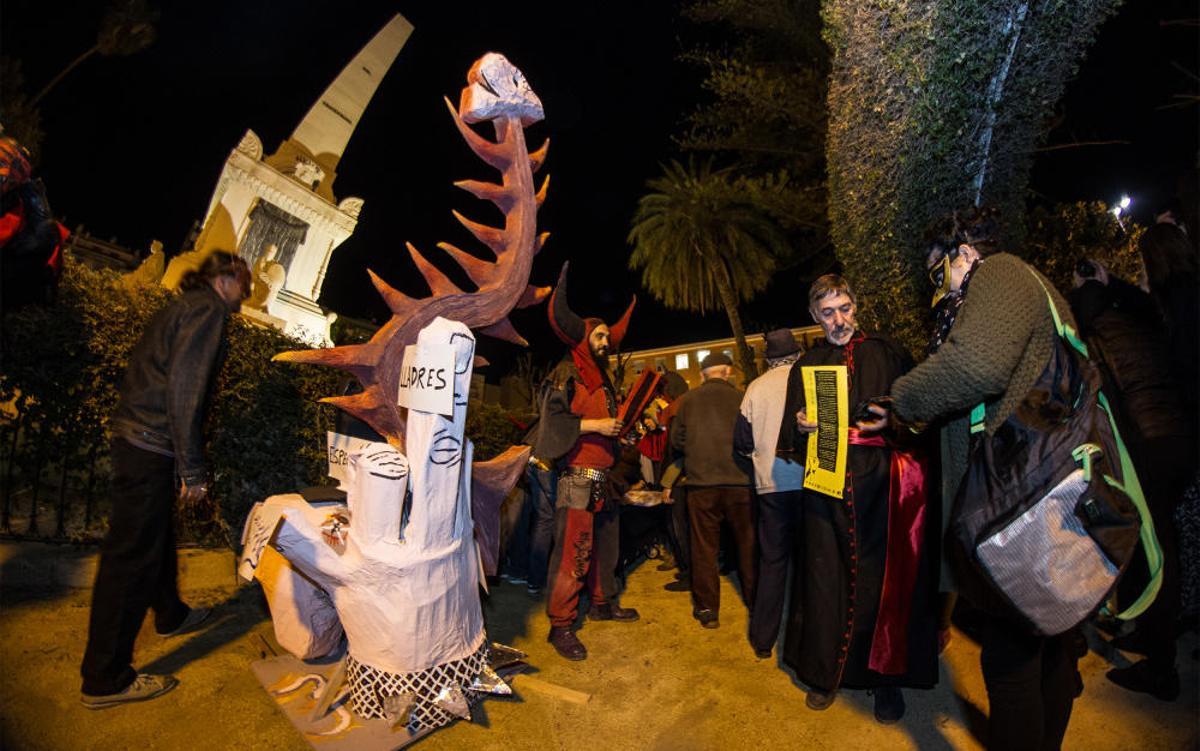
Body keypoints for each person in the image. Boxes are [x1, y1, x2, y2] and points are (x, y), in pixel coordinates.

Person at [889, 207, 1082, 749]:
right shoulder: (1038, 286)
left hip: (1024, 503)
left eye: (940, 272)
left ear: (967, 254)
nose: (940, 289)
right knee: (1051, 650)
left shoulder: (999, 273)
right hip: (1047, 488)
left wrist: (903, 400)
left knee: (1010, 662)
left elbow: (973, 367)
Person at [80, 250, 250, 709]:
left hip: (137, 437)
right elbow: (185, 390)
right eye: (245, 284)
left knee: (154, 536)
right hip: (151, 443)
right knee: (130, 559)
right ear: (226, 279)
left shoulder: (183, 304)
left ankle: (170, 614)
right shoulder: (209, 310)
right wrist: (192, 469)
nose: (247, 295)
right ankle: (104, 678)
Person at [775, 274, 936, 724]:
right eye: (828, 313)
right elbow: (789, 435)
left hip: (882, 488)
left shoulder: (889, 352)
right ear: (814, 316)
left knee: (883, 586)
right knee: (824, 581)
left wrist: (892, 420)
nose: (839, 320)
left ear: (856, 306)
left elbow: (920, 416)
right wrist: (801, 425)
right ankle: (825, 674)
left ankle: (885, 681)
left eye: (844, 308)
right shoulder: (806, 365)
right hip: (825, 490)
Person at [1070, 258, 1196, 700]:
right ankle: (1151, 634)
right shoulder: (1138, 316)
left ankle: (1162, 669)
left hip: (1146, 446)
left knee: (1156, 551)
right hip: (1179, 438)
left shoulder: (1094, 326)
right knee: (1164, 545)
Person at [531, 264, 639, 660]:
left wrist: (621, 432)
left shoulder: (606, 380)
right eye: (599, 336)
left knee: (606, 549)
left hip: (606, 477)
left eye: (608, 336)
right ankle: (560, 624)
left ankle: (601, 603)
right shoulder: (565, 374)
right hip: (576, 477)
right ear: (583, 339)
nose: (606, 341)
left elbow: (608, 425)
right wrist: (597, 425)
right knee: (573, 552)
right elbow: (553, 421)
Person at [668, 353, 755, 629]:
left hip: (702, 484)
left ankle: (707, 609)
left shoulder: (688, 400)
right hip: (739, 483)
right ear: (727, 372)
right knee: (747, 545)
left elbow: (677, 440)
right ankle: (755, 600)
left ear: (702, 374)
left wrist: (698, 448)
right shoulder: (742, 397)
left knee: (703, 548)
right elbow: (752, 437)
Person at [735, 328, 806, 657]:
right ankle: (806, 641)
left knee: (773, 563)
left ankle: (763, 641)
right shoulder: (809, 382)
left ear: (768, 359)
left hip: (771, 488)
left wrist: (759, 454)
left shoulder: (755, 387)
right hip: (810, 483)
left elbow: (742, 442)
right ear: (797, 354)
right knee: (810, 562)